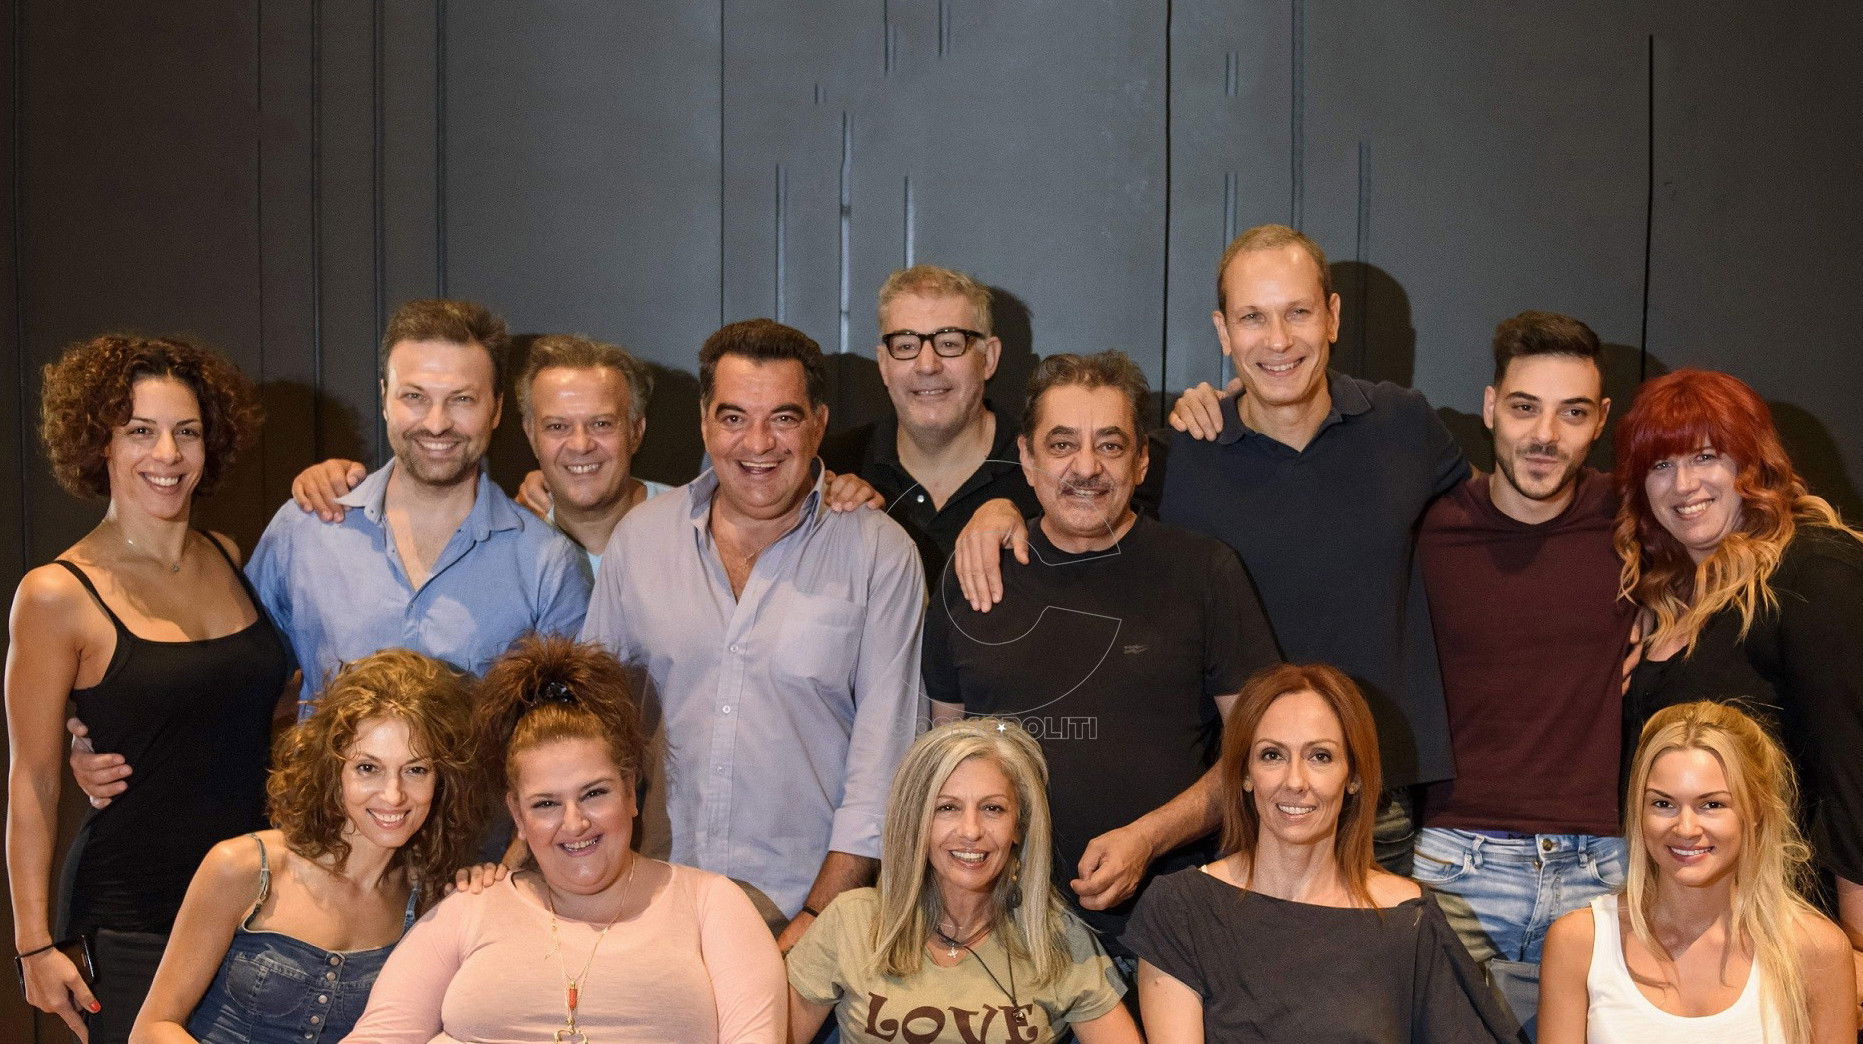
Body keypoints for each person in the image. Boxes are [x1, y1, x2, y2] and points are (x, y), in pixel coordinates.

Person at [957, 224, 1470, 874]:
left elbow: (1502, 513)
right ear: (1223, 332)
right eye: (1253, 317)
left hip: (1374, 795)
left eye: (1297, 313)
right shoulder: (1184, 453)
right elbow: (1079, 499)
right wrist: (998, 508)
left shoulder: (1402, 424)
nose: (1277, 340)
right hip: (1237, 802)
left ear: (1333, 317)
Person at [923, 350, 1280, 969]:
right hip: (1001, 938)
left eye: (1109, 446)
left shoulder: (1204, 573)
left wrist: (1149, 838)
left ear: (1141, 460)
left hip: (1166, 935)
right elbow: (941, 760)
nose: (1086, 467)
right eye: (1061, 445)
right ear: (1027, 459)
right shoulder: (975, 574)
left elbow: (1262, 753)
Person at [580, 318, 925, 952]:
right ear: (705, 422)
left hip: (811, 921)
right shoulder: (641, 541)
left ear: (818, 424)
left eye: (783, 418)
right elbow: (590, 731)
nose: (758, 443)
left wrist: (816, 923)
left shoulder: (879, 554)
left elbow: (885, 769)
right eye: (734, 417)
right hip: (650, 909)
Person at [7, 334, 291, 1044]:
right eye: (140, 431)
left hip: (257, 912)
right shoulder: (55, 594)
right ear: (98, 444)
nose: (167, 454)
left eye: (186, 432)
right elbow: (33, 780)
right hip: (132, 919)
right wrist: (33, 945)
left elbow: (244, 711)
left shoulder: (226, 555)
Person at [344, 634, 786, 1043]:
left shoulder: (712, 905)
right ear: (518, 815)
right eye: (546, 804)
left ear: (630, 792)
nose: (574, 824)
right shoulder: (468, 908)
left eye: (594, 794)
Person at [1412, 311, 1636, 1033]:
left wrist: (1671, 620)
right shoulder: (1426, 526)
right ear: (1488, 407)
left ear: (1600, 419)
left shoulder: (1635, 521)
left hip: (1603, 867)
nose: (1544, 435)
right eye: (1523, 407)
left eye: (1572, 413)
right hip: (1455, 863)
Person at [1124, 662, 1524, 1042]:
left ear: (1353, 776)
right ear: (1245, 772)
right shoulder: (1180, 910)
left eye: (1320, 756)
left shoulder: (1409, 919)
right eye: (1272, 755)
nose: (1295, 781)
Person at [1613, 369, 1863, 961]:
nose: (1684, 484)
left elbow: (1852, 766)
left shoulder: (1812, 572)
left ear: (1753, 464)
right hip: (1688, 919)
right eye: (1661, 465)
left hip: (1787, 920)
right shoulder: (1666, 593)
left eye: (1706, 457)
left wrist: (1856, 941)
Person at [130, 649, 478, 1044]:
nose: (393, 794)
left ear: (443, 779)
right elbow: (151, 1029)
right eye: (368, 768)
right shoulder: (244, 866)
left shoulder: (430, 898)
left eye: (416, 770)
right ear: (333, 769)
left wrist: (487, 881)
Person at [788, 719, 1142, 1043]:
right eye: (947, 808)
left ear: (1018, 827)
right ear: (917, 821)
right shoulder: (850, 921)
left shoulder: (1056, 936)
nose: (971, 831)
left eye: (993, 809)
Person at [1538, 700, 1857, 1042]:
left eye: (1712, 805)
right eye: (1663, 803)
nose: (1686, 828)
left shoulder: (1816, 950)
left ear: (1756, 810)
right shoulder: (1579, 942)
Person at [289, 333, 672, 573]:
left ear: (636, 431)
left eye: (601, 424)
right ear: (531, 435)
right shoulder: (507, 535)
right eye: (557, 426)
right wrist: (331, 482)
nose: (580, 444)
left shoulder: (691, 525)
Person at [820, 264, 1041, 580]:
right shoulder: (832, 468)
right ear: (884, 365)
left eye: (949, 343)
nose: (927, 365)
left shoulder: (1045, 472)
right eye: (906, 346)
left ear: (989, 359)